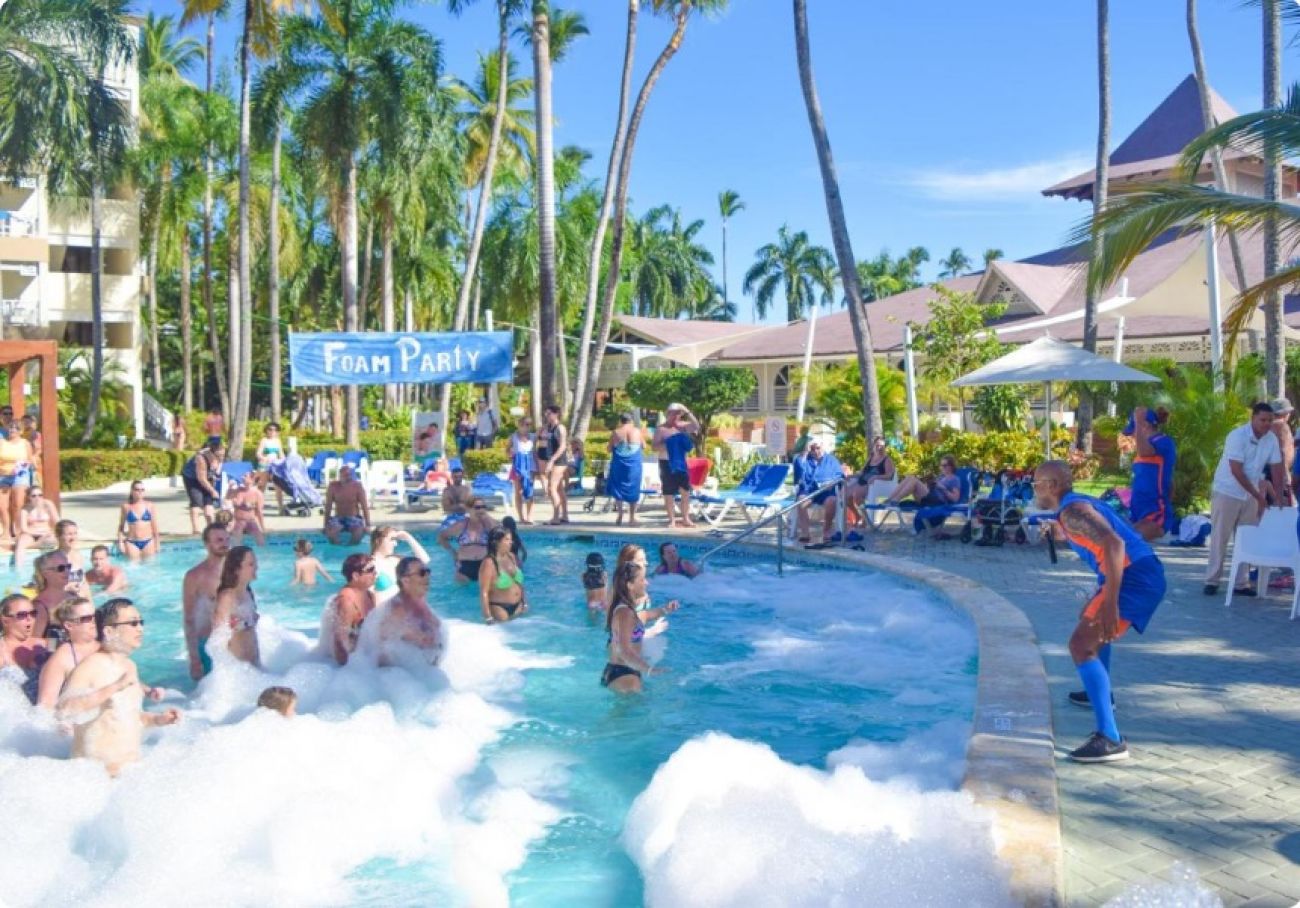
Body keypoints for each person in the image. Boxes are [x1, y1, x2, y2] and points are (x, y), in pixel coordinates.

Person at [1033, 460, 1166, 763]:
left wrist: (1110, 601)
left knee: (1081, 645)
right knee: (1090, 630)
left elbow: (1114, 544)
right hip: (1138, 572)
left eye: (1036, 483)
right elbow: (1113, 535)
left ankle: (1111, 739)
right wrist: (1060, 532)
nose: (1034, 489)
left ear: (1052, 485)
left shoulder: (1073, 511)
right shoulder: (1075, 507)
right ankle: (1102, 694)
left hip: (1135, 578)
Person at [59, 598, 181, 777]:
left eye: (141, 622)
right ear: (109, 631)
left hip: (129, 775)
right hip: (94, 778)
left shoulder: (129, 666)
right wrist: (113, 687)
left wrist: (158, 719)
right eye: (133, 623)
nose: (140, 628)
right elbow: (65, 710)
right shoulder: (90, 666)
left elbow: (129, 718)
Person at [1204, 403, 1288, 596]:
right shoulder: (1237, 436)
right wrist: (1259, 496)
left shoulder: (1271, 439)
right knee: (1220, 537)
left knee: (1246, 538)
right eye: (1262, 420)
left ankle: (1241, 583)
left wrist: (1279, 496)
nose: (1266, 424)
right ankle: (1212, 580)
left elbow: (1277, 468)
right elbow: (1236, 470)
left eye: (1270, 420)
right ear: (1253, 418)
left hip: (1251, 494)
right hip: (1227, 491)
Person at [602, 561, 678, 693]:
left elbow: (647, 615)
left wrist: (666, 609)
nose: (647, 583)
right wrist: (650, 670)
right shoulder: (625, 613)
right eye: (642, 579)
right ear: (630, 585)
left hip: (623, 672)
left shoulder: (627, 609)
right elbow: (624, 651)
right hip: (624, 676)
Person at [374, 555, 444, 667]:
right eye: (421, 573)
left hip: (423, 670)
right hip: (402, 673)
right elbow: (384, 651)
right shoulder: (398, 609)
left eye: (427, 572)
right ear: (405, 580)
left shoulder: (418, 600)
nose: (427, 576)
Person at [182, 524, 230, 679]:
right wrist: (194, 658)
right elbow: (189, 619)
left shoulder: (237, 571)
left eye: (227, 539)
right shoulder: (195, 576)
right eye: (219, 540)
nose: (225, 543)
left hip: (235, 643)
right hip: (210, 645)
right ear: (207, 544)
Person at [35, 597, 101, 709]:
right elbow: (45, 708)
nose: (94, 622)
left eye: (96, 616)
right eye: (87, 618)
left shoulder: (107, 647)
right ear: (69, 625)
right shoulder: (60, 660)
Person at [1124, 407, 1177, 542]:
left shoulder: (1163, 442)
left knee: (1128, 540)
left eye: (1134, 430)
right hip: (1138, 509)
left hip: (1155, 511)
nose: (1134, 435)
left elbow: (1145, 452)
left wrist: (1138, 421)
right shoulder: (1144, 449)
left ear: (1145, 426)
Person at [885, 455, 964, 540]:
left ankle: (895, 500)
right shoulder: (941, 477)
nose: (942, 467)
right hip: (930, 498)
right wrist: (929, 485)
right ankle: (890, 499)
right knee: (909, 477)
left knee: (913, 480)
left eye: (944, 465)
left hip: (937, 502)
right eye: (941, 465)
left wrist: (942, 488)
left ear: (951, 466)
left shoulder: (954, 479)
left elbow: (955, 498)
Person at [211, 546, 261, 668]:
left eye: (255, 563)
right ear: (237, 569)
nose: (257, 567)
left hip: (254, 667)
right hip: (236, 670)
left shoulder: (248, 593)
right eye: (251, 564)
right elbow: (217, 638)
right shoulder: (227, 598)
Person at [652, 403, 699, 529]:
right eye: (671, 413)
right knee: (668, 493)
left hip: (681, 463)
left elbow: (696, 426)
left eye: (677, 413)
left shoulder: (683, 427)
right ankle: (672, 520)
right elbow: (654, 447)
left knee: (685, 492)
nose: (674, 416)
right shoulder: (661, 429)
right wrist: (670, 444)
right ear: (667, 414)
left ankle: (686, 518)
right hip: (666, 462)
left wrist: (686, 410)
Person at [327, 553, 378, 665]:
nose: (375, 573)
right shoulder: (346, 602)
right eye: (370, 570)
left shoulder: (369, 595)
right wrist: (347, 670)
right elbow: (340, 642)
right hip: (351, 663)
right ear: (355, 576)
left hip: (364, 657)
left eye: (374, 569)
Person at [0, 593, 50, 703]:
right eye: (22, 615)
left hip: (44, 708)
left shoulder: (47, 644)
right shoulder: (2, 650)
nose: (29, 618)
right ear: (5, 620)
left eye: (33, 613)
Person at [793, 440, 844, 546]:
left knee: (832, 501)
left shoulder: (831, 460)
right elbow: (799, 474)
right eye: (812, 448)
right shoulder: (804, 459)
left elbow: (840, 476)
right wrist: (805, 453)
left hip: (826, 490)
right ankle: (805, 533)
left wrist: (832, 483)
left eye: (818, 448)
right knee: (801, 500)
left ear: (822, 447)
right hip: (809, 490)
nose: (815, 451)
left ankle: (826, 531)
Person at [438, 497, 495, 583]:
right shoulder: (461, 525)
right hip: (464, 566)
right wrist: (453, 553)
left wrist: (487, 517)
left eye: (483, 507)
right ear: (468, 509)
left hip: (484, 565)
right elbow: (441, 537)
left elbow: (502, 534)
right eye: (477, 507)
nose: (480, 510)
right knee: (462, 591)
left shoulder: (488, 524)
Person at [479, 527, 528, 624]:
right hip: (499, 608)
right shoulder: (489, 563)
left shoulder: (512, 556)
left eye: (511, 539)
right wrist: (488, 617)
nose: (511, 542)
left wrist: (525, 602)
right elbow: (484, 592)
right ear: (497, 542)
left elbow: (520, 584)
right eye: (507, 539)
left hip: (519, 606)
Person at [844, 436, 896, 523]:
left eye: (881, 446)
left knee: (857, 495)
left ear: (885, 447)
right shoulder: (870, 458)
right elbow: (862, 472)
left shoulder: (887, 460)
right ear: (874, 446)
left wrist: (876, 477)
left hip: (873, 484)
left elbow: (889, 475)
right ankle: (857, 516)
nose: (879, 448)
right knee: (845, 495)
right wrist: (851, 476)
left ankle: (866, 520)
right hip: (862, 481)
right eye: (877, 445)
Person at [607, 413, 645, 527]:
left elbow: (609, 449)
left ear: (621, 421)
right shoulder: (637, 431)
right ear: (631, 421)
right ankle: (632, 517)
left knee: (618, 486)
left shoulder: (616, 432)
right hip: (634, 463)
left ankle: (620, 514)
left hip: (619, 463)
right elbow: (644, 446)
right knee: (633, 487)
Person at [369, 526, 431, 595]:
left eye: (396, 540)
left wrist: (408, 537)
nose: (395, 544)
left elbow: (424, 560)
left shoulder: (396, 560)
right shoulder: (371, 565)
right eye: (392, 539)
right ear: (378, 541)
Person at [0, 422, 34, 544]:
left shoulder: (25, 443)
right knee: (2, 506)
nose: (12, 429)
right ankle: (6, 531)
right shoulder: (2, 442)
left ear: (20, 431)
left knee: (18, 504)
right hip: (3, 476)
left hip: (20, 476)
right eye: (11, 427)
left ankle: (18, 530)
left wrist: (20, 466)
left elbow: (30, 461)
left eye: (16, 428)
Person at [182, 439, 225, 533]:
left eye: (223, 455)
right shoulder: (201, 458)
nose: (221, 458)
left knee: (208, 501)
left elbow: (216, 474)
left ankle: (211, 528)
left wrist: (213, 488)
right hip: (192, 478)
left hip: (207, 477)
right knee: (196, 502)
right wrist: (212, 491)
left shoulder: (219, 457)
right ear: (211, 453)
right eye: (218, 456)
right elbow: (201, 479)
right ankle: (196, 530)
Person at [538, 405, 571, 525]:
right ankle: (565, 515)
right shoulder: (548, 428)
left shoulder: (560, 428)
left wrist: (552, 460)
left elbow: (562, 446)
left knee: (551, 488)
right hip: (551, 459)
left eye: (549, 414)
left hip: (559, 461)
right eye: (546, 414)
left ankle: (556, 517)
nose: (547, 416)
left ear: (556, 414)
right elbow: (542, 442)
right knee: (559, 489)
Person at [323, 464, 371, 546]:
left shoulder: (357, 486)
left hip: (354, 517)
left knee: (358, 533)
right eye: (345, 475)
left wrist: (368, 524)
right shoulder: (333, 486)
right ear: (340, 476)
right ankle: (338, 549)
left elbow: (364, 506)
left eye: (349, 475)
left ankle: (350, 550)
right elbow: (328, 507)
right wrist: (325, 524)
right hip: (339, 518)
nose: (348, 477)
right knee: (331, 533)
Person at [30, 550, 73, 641]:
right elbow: (34, 642)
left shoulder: (73, 596)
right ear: (46, 574)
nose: (67, 571)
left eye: (68, 567)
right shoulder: (40, 606)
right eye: (61, 568)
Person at [13, 484, 59, 566]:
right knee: (21, 543)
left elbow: (57, 522)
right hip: (30, 533)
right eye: (34, 496)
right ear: (29, 497)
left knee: (51, 541)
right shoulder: (25, 509)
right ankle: (18, 569)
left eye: (40, 495)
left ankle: (33, 546)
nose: (37, 498)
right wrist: (38, 534)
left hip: (45, 532)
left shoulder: (48, 504)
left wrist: (52, 532)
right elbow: (24, 528)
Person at [116, 479, 162, 559]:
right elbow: (121, 526)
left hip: (148, 541)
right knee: (133, 566)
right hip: (132, 542)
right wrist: (120, 542)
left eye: (142, 490)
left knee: (150, 565)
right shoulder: (126, 507)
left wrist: (157, 543)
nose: (140, 492)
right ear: (132, 491)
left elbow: (155, 526)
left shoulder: (150, 505)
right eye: (137, 490)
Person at [507, 416, 538, 524]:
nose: (528, 427)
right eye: (526, 424)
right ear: (520, 425)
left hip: (530, 465)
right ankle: (521, 516)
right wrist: (511, 455)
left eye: (530, 425)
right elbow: (507, 450)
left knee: (530, 490)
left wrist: (538, 467)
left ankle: (529, 516)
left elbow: (534, 452)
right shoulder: (513, 437)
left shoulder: (533, 437)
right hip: (518, 466)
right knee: (518, 491)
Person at [226, 471, 267, 546]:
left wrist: (262, 527)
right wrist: (229, 488)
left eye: (245, 476)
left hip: (251, 521)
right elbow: (227, 497)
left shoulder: (257, 494)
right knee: (235, 543)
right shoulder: (238, 490)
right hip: (238, 522)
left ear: (252, 479)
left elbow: (259, 512)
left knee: (261, 542)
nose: (242, 477)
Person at [256, 423, 286, 512]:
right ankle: (257, 508)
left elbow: (281, 453)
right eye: (270, 429)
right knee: (262, 487)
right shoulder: (264, 440)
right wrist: (264, 458)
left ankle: (281, 507)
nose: (273, 431)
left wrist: (284, 461)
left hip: (275, 466)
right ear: (266, 430)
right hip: (265, 465)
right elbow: (258, 453)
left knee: (278, 487)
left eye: (275, 430)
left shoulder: (278, 441)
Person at [54, 519, 89, 592]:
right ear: (58, 536)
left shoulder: (78, 556)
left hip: (80, 596)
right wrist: (67, 588)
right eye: (69, 534)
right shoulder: (53, 559)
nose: (73, 538)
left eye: (75, 533)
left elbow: (84, 583)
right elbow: (50, 588)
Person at [1268, 398, 1295, 490]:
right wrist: (1286, 475)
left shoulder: (1267, 426)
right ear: (1285, 413)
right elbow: (1282, 451)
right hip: (1278, 472)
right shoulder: (1281, 426)